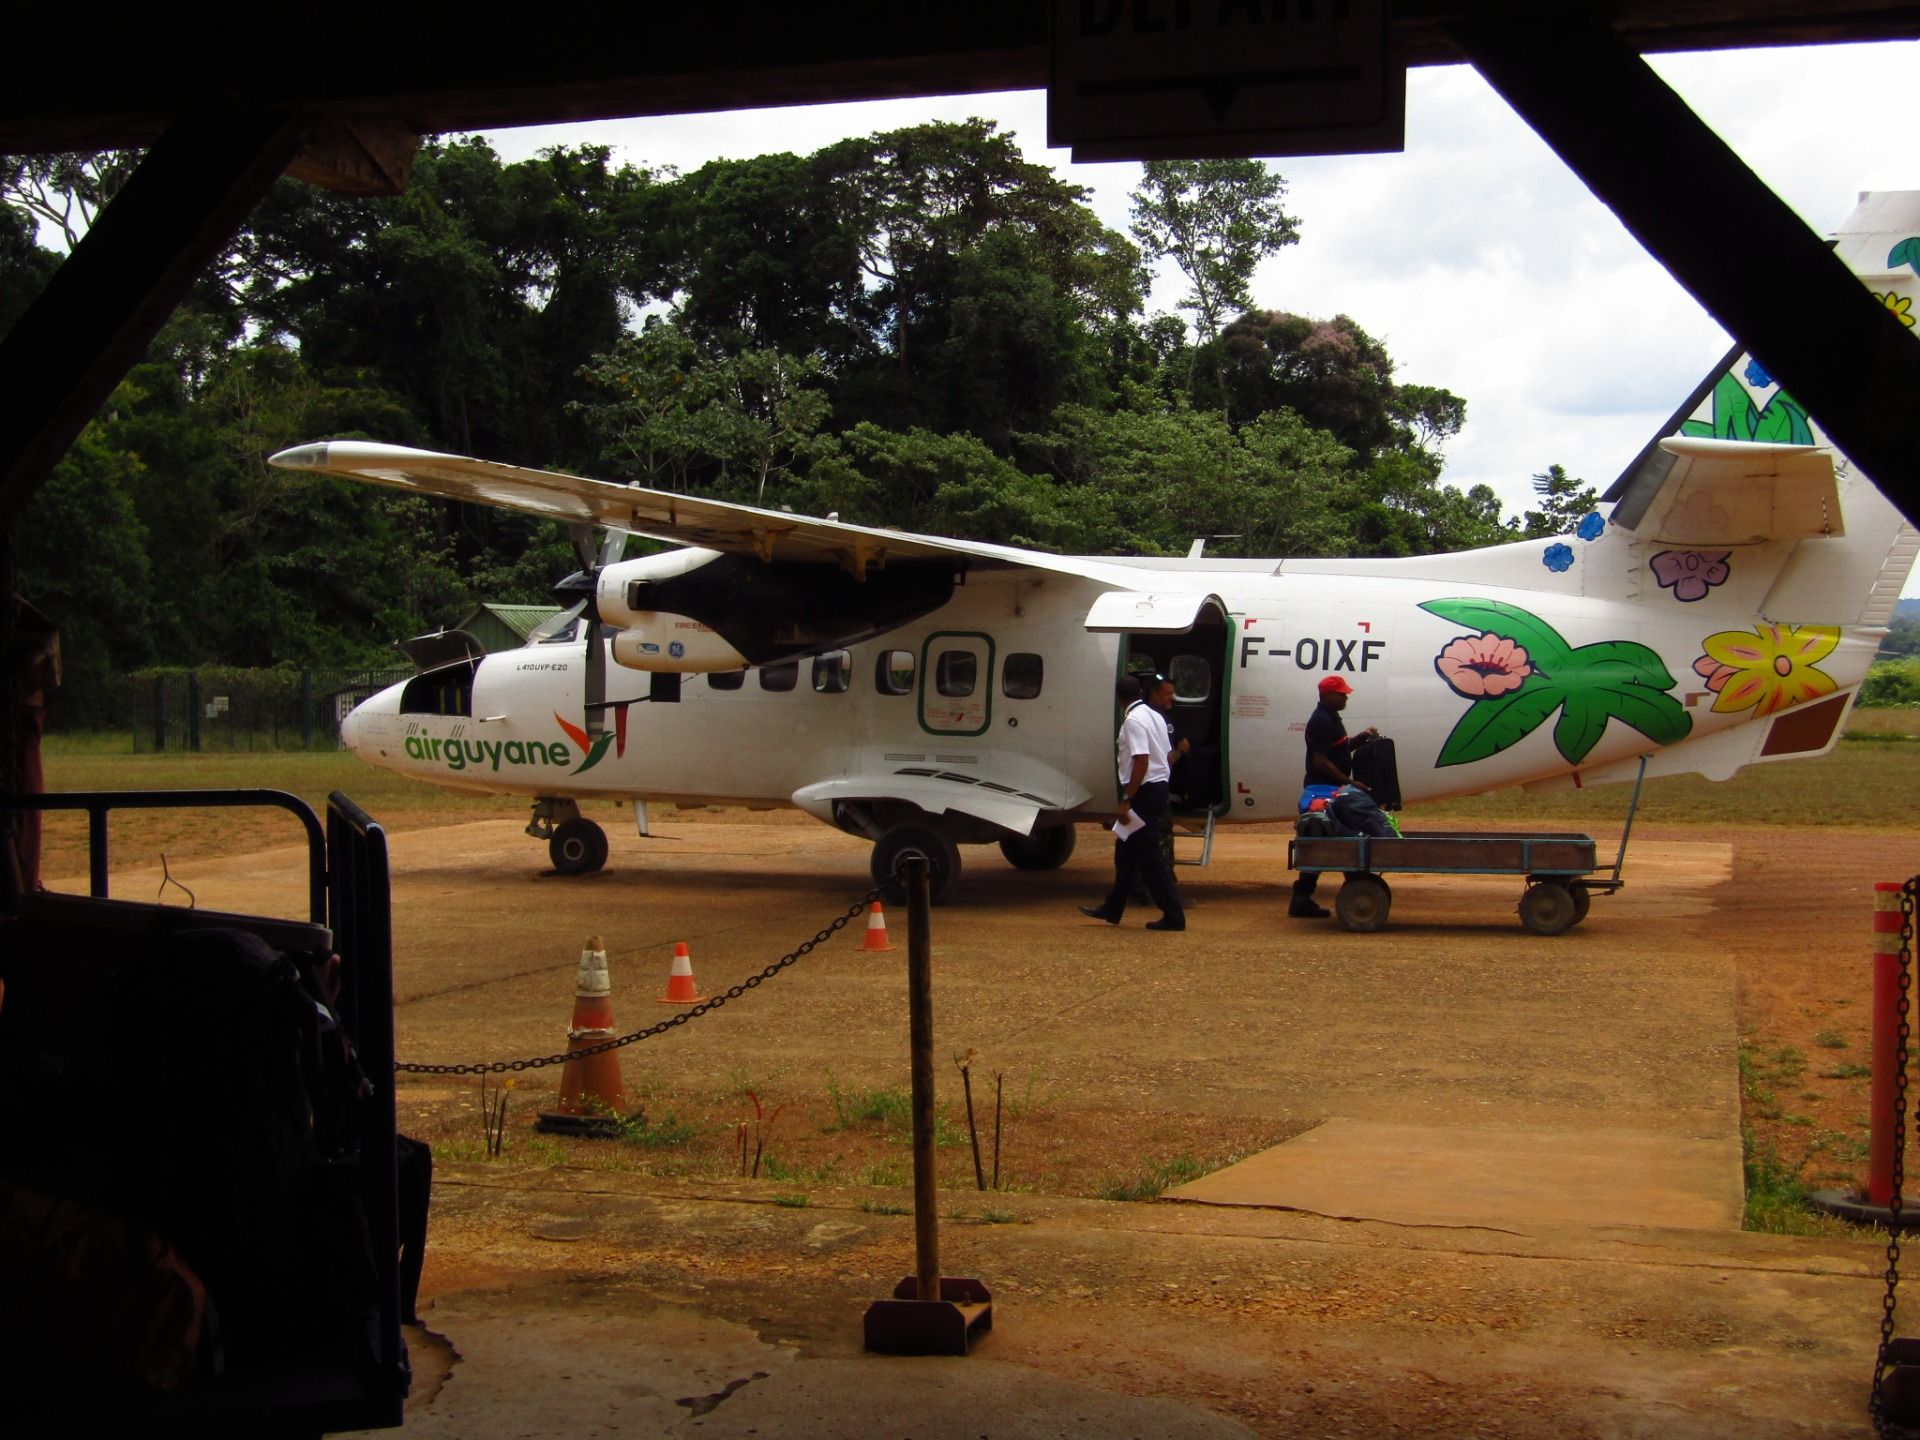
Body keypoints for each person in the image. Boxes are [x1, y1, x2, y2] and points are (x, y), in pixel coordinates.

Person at [1081, 673, 1186, 931]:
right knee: (1125, 851)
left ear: (1119, 699)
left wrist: (1127, 798)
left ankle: (1174, 915)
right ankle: (1113, 908)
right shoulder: (1155, 716)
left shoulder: (1133, 721)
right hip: (1158, 787)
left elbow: (1141, 760)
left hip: (1144, 792)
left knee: (1150, 857)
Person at [1290, 675, 1379, 919]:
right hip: (1322, 790)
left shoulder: (1330, 718)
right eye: (1341, 694)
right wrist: (1349, 783)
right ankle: (1353, 886)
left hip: (1330, 788)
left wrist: (1359, 739)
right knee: (1329, 839)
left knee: (1329, 840)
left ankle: (1304, 897)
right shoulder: (1320, 721)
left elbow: (1337, 750)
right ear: (1327, 696)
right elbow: (1320, 760)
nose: (1345, 697)